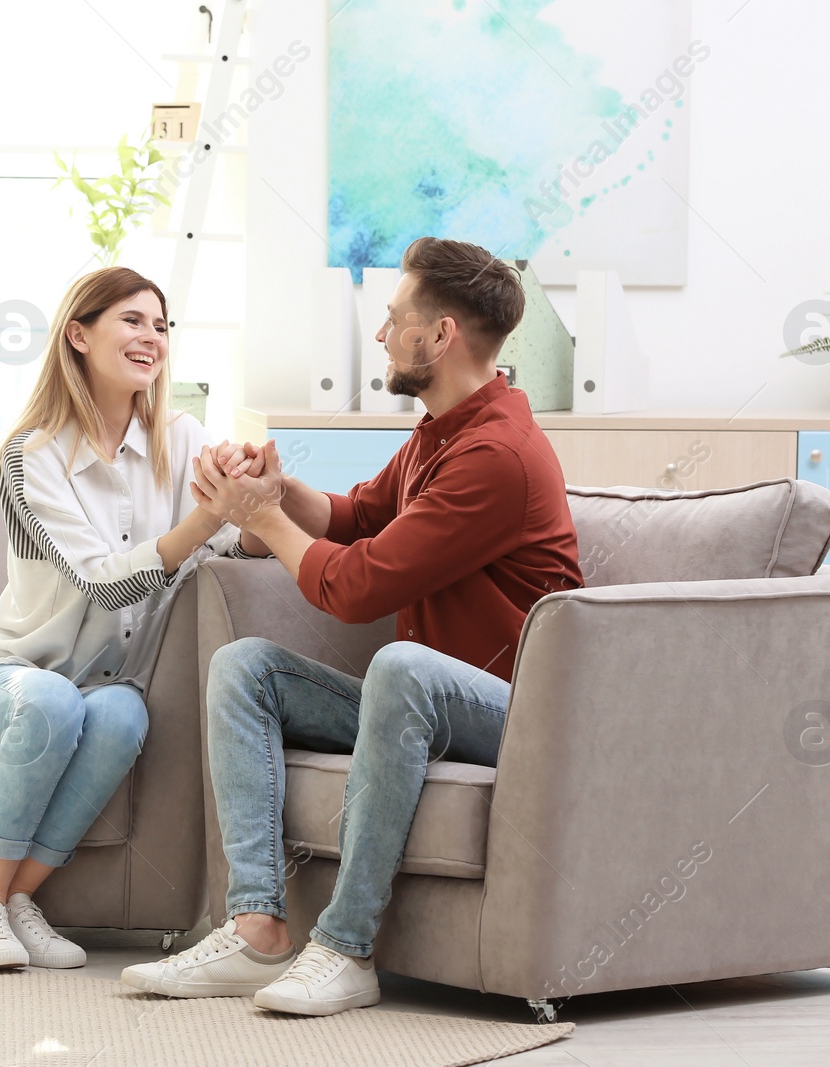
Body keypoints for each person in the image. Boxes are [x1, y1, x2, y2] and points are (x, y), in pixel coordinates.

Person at [121, 237, 583, 1016]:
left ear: (439, 336)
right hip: (430, 707)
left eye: (395, 317)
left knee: (402, 665)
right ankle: (259, 928)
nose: (380, 334)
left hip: (521, 713)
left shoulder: (497, 454)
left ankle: (345, 947)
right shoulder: (443, 430)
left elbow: (356, 586)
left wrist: (260, 516)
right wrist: (277, 488)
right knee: (246, 667)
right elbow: (359, 516)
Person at [0, 266, 250, 970]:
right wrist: (209, 511)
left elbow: (236, 543)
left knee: (122, 715)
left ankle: (21, 900)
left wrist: (255, 497)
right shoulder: (34, 454)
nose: (152, 337)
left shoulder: (181, 437)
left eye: (162, 325)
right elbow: (104, 583)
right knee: (54, 699)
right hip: (5, 675)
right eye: (133, 320)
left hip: (105, 687)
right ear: (78, 335)